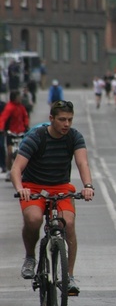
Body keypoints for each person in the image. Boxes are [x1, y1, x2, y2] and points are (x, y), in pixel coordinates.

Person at [11, 100, 95, 295]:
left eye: (70, 120)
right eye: (62, 119)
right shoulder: (36, 137)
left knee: (69, 223)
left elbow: (83, 164)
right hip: (33, 187)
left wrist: (88, 186)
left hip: (61, 187)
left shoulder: (74, 137)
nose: (66, 124)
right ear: (51, 119)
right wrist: (20, 188)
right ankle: (30, 257)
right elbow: (17, 168)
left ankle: (70, 276)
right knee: (33, 219)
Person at [0, 90, 30, 181]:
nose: (20, 98)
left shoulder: (21, 107)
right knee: (9, 152)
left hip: (21, 133)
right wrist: (1, 128)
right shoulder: (9, 107)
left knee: (23, 153)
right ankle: (9, 170)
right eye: (19, 97)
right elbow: (3, 118)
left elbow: (25, 117)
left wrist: (26, 125)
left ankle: (22, 171)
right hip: (11, 133)